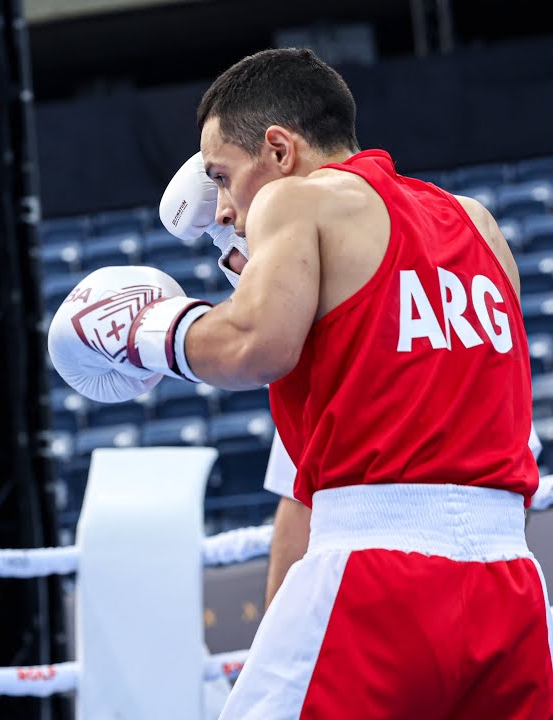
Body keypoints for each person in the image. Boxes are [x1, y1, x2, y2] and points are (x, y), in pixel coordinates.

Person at [48, 48, 552, 717]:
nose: (223, 210)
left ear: (280, 150)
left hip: (380, 576)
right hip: (510, 586)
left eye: (222, 177)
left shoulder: (293, 199)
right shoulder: (476, 222)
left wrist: (141, 330)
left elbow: (255, 344)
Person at [159, 150, 548, 609]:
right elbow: (509, 482)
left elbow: (300, 511)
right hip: (505, 580)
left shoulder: (333, 336)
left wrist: (150, 334)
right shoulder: (468, 232)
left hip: (383, 582)